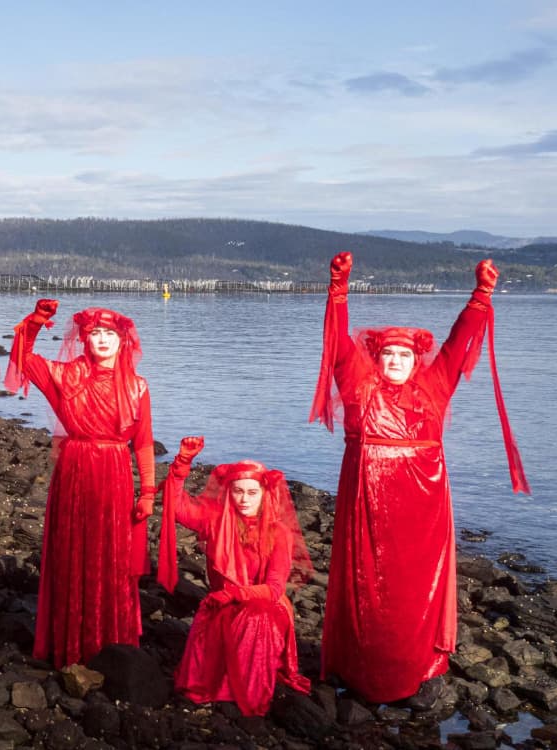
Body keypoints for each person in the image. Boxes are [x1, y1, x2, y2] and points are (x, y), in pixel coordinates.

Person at [310, 252, 529, 703]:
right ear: (376, 357)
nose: (394, 360)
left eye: (403, 354)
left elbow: (458, 342)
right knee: (367, 585)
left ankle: (415, 669)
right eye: (387, 353)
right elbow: (335, 343)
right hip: (367, 505)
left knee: (415, 590)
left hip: (422, 511)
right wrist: (338, 289)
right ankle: (362, 670)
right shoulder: (358, 385)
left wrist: (480, 296)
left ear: (416, 360)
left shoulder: (433, 387)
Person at [4, 301, 155, 668]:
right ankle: (70, 641)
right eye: (95, 334)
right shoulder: (65, 374)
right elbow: (22, 357)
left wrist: (149, 490)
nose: (102, 340)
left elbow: (145, 442)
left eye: (110, 334)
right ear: (85, 340)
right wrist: (36, 322)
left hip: (116, 473)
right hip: (75, 469)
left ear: (123, 342)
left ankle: (109, 639)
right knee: (73, 548)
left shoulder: (137, 387)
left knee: (111, 554)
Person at [156, 437, 312, 716]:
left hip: (264, 607)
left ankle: (249, 691)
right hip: (221, 604)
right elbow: (177, 506)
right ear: (229, 492)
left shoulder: (279, 533)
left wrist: (235, 594)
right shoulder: (216, 520)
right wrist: (182, 464)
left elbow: (275, 589)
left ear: (265, 494)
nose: (244, 499)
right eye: (238, 491)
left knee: (255, 619)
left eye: (252, 492)